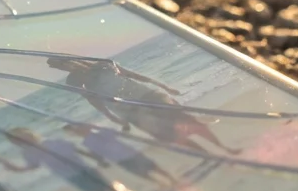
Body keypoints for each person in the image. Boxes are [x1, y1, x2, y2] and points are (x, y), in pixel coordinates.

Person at [46, 56, 240, 155]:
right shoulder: (75, 81)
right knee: (169, 135)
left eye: (65, 62)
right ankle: (208, 155)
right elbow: (93, 99)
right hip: (129, 109)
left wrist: (164, 86)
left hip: (148, 96)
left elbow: (133, 75)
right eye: (60, 67)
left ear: (71, 58)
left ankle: (223, 148)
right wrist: (114, 118)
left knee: (187, 121)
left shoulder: (102, 64)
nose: (66, 67)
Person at [63, 123, 179, 187]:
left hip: (128, 154)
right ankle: (163, 183)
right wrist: (100, 161)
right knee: (144, 172)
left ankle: (171, 180)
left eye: (79, 130)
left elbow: (117, 134)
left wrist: (100, 160)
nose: (79, 132)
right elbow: (98, 154)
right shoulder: (88, 141)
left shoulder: (98, 134)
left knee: (151, 167)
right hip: (123, 157)